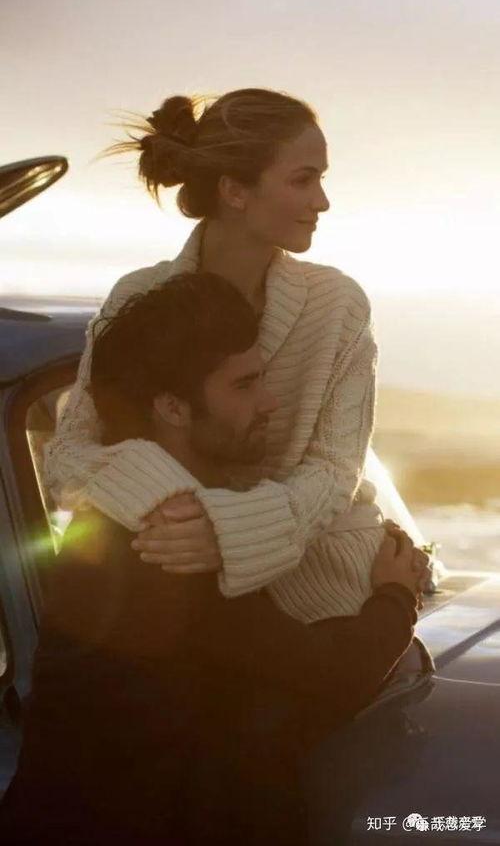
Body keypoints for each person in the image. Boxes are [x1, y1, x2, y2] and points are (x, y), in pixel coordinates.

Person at [2, 275, 426, 845]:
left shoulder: (149, 516)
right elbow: (329, 675)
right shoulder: (160, 542)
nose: (270, 401)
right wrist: (395, 595)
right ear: (173, 408)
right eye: (245, 384)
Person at [44, 87, 401, 623]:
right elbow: (70, 452)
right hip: (169, 578)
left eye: (321, 179)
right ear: (234, 190)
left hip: (321, 593)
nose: (322, 201)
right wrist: (171, 504)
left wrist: (231, 531)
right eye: (303, 180)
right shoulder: (137, 296)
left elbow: (335, 469)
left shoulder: (339, 304)